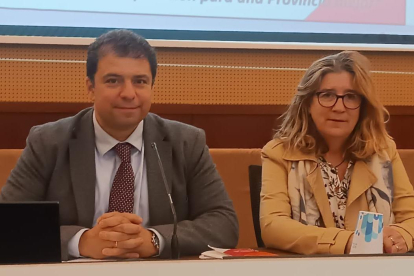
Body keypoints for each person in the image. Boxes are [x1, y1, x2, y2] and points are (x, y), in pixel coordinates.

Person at [0, 29, 238, 261]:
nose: (128, 93)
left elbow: (224, 224)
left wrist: (154, 240)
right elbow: (7, 223)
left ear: (152, 86)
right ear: (90, 87)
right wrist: (81, 241)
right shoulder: (48, 141)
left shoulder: (186, 142)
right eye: (113, 81)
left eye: (140, 81)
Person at [260, 51, 414, 255]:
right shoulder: (279, 153)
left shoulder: (383, 151)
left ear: (363, 107)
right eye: (327, 95)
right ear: (307, 104)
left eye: (350, 97)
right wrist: (347, 241)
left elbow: (411, 217)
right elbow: (273, 227)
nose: (339, 107)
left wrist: (401, 236)